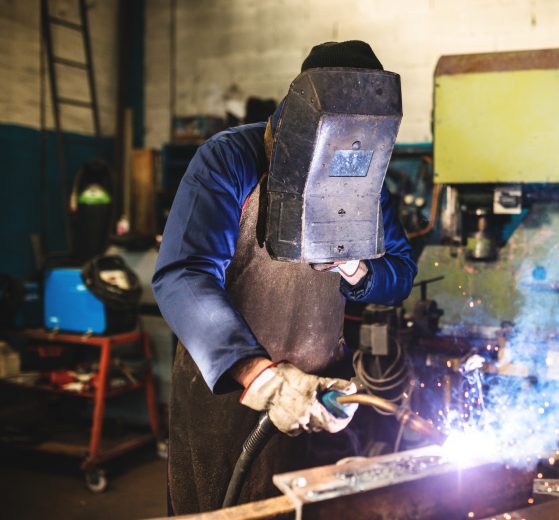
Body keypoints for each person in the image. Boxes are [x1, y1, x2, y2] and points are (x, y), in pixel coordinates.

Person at [152, 41, 416, 514]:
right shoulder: (230, 158)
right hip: (233, 397)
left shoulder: (366, 182)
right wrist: (263, 377)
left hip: (320, 399)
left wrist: (353, 266)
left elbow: (400, 272)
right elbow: (184, 274)